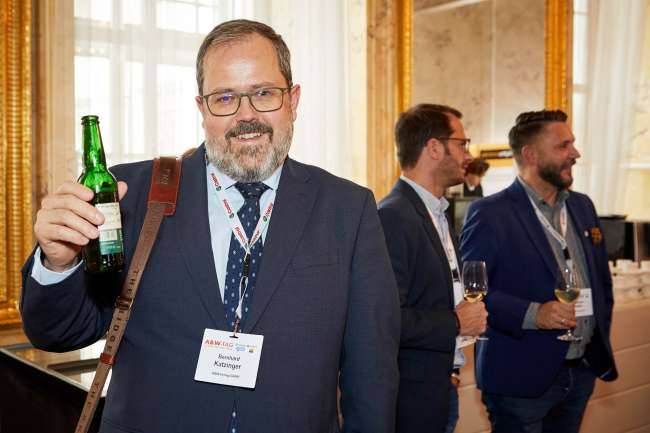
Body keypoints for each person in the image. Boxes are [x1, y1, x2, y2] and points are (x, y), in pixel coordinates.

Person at [21, 19, 400, 433]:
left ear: (293, 100)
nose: (246, 115)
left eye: (264, 93)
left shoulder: (347, 209)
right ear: (202, 109)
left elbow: (373, 371)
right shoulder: (130, 196)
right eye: (225, 98)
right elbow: (58, 333)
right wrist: (58, 263)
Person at [460, 110, 618, 433]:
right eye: (563, 146)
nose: (575, 153)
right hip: (520, 379)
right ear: (531, 154)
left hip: (580, 371)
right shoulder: (490, 213)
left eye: (572, 143)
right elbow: (472, 291)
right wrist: (535, 314)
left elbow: (602, 283)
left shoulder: (582, 206)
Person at [378, 103, 488, 433]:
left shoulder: (436, 212)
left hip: (440, 385)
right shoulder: (393, 216)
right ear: (435, 148)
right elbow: (385, 318)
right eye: (462, 144)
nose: (468, 155)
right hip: (411, 398)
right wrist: (456, 321)